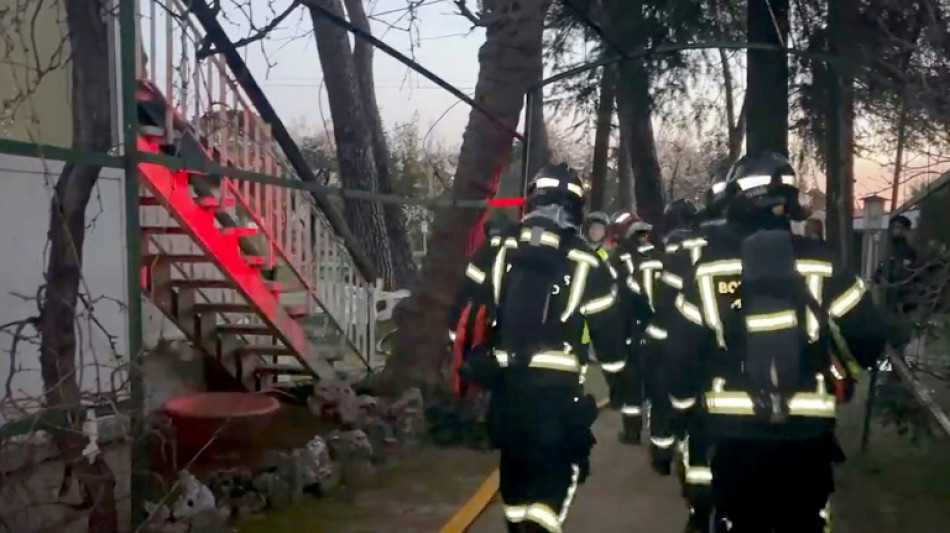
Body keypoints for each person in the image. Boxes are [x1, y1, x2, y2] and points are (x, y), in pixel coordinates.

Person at [662, 151, 889, 532]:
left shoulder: (707, 271)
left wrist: (683, 410)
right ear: (790, 202)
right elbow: (868, 335)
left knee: (737, 519)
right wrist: (843, 373)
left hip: (732, 434)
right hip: (807, 431)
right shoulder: (825, 263)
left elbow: (680, 354)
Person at [456, 162, 628, 533]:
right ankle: (539, 526)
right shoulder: (585, 258)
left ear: (533, 198)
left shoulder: (499, 245)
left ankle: (518, 524)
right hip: (557, 391)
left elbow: (464, 306)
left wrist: (468, 362)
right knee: (557, 470)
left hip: (505, 385)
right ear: (576, 208)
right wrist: (619, 382)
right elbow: (608, 331)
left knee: (514, 469)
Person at [646, 192, 725, 531]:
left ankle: (697, 509)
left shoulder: (679, 253)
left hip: (684, 345)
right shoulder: (746, 248)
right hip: (731, 358)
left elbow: (663, 302)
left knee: (690, 421)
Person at [609, 214, 661, 443]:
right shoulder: (662, 256)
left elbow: (618, 297)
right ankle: (661, 431)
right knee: (657, 381)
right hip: (660, 329)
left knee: (632, 384)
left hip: (634, 328)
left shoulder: (620, 258)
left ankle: (632, 432)